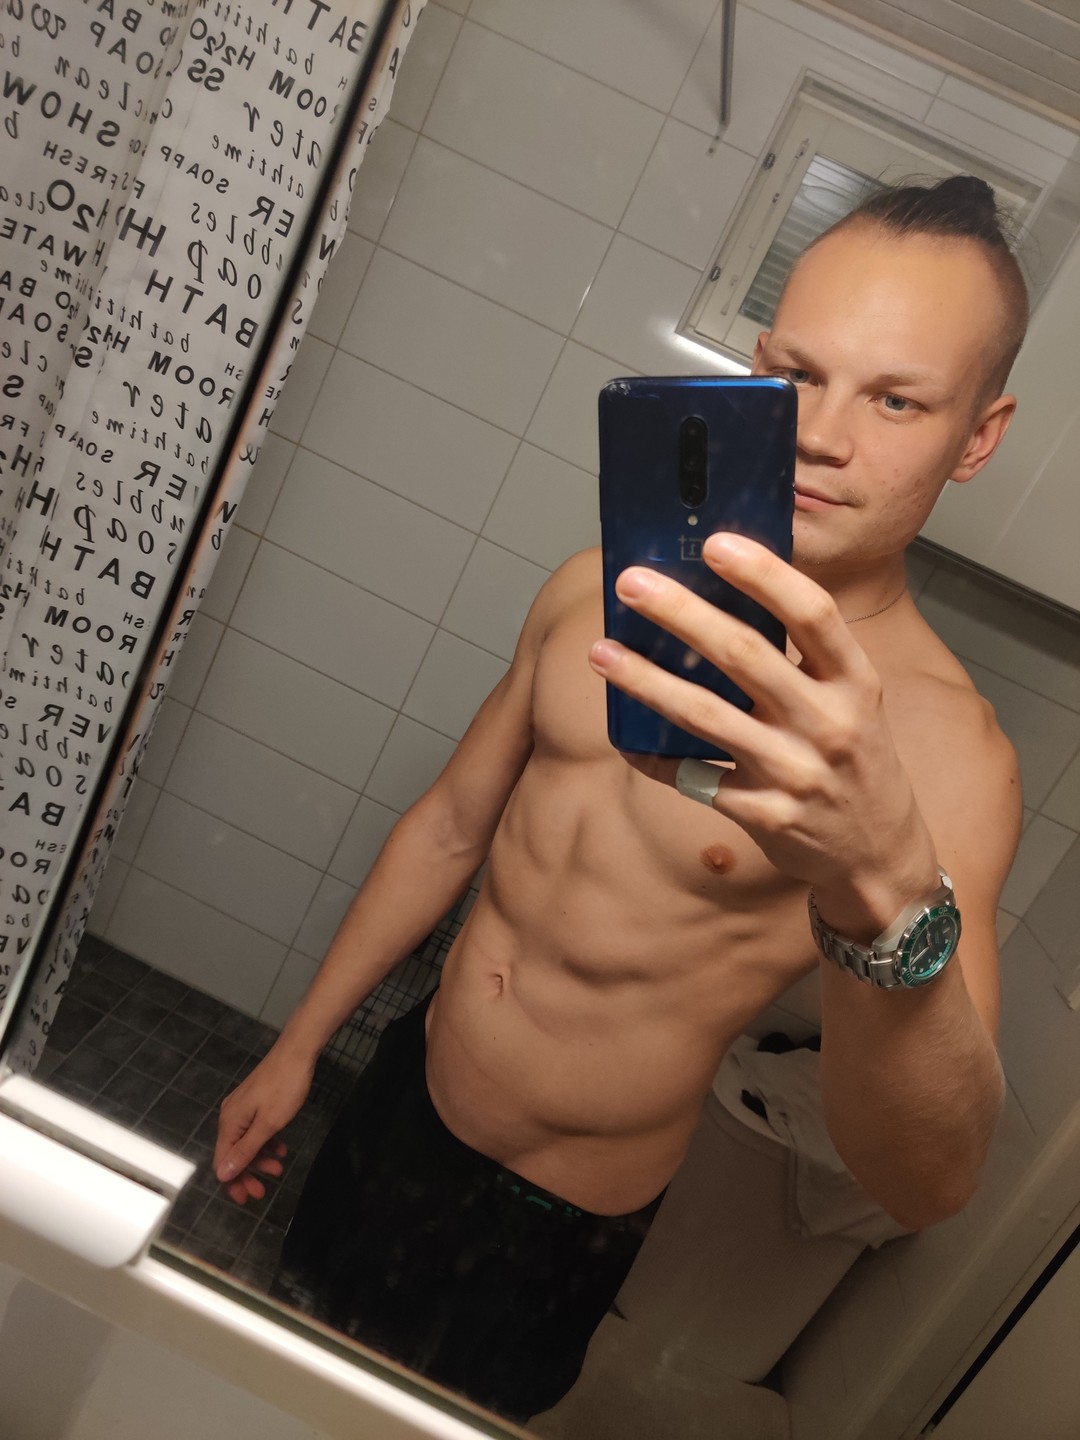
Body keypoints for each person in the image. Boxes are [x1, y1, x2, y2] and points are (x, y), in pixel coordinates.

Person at [213, 175, 1025, 1422]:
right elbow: (450, 827)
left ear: (978, 436)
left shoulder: (946, 754)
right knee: (271, 1378)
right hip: (409, 1088)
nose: (820, 435)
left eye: (897, 399)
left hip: (557, 1211)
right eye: (797, 374)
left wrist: (884, 878)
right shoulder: (598, 586)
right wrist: (300, 1046)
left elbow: (930, 1182)